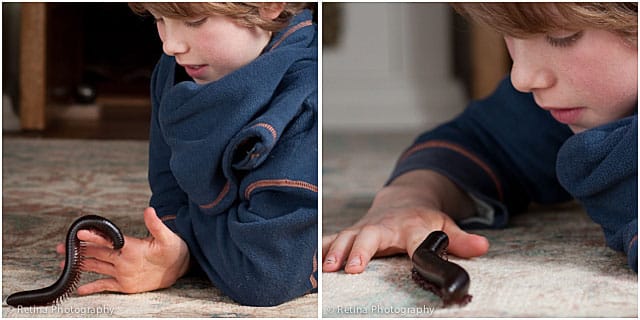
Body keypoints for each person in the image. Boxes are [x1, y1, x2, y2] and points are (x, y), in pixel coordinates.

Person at [323, 2, 637, 274]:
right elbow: (478, 142)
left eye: (561, 36)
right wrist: (408, 199)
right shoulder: (562, 108)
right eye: (511, 35)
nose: (522, 77)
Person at [57, 2, 318, 307]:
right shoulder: (173, 73)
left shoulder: (306, 105)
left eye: (194, 21)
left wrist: (184, 252)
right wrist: (175, 243)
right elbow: (168, 192)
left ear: (268, 6)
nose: (170, 45)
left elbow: (265, 274)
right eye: (159, 19)